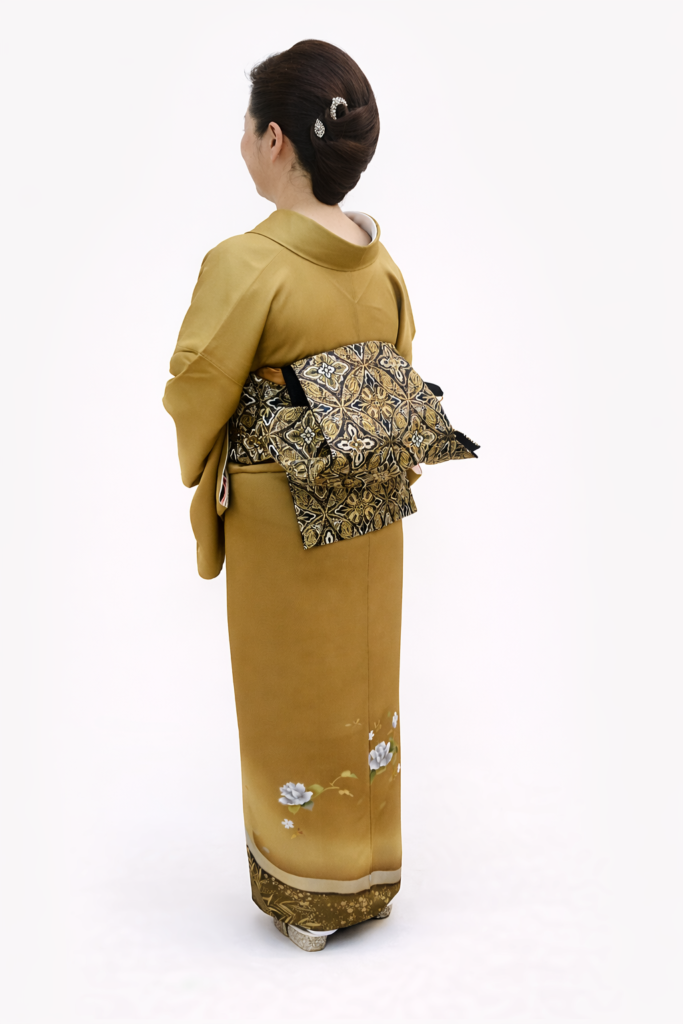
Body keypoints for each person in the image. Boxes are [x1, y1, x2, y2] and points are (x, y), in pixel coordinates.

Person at [163, 39, 419, 952]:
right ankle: (369, 875)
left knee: (293, 686)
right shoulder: (378, 260)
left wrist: (211, 436)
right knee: (362, 677)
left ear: (275, 139)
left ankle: (308, 895)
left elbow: (197, 382)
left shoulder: (249, 262)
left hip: (285, 515)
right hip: (370, 501)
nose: (243, 141)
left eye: (248, 125)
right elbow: (399, 369)